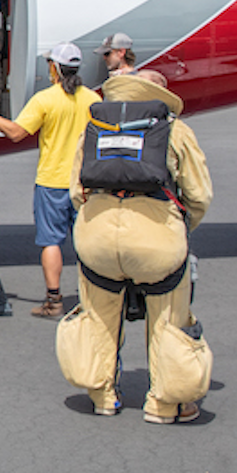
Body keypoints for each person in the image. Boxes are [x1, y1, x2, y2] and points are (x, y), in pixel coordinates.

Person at [56, 69, 214, 423]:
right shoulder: (175, 131)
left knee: (98, 317)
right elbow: (200, 195)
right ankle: (165, 404)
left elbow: (76, 191)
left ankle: (102, 395)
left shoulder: (94, 131)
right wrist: (181, 226)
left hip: (96, 238)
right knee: (169, 321)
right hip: (156, 241)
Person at [0, 42, 99, 319]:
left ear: (54, 69)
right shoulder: (94, 100)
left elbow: (14, 132)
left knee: (51, 242)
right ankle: (92, 300)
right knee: (87, 244)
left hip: (52, 182)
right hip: (85, 183)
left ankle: (54, 300)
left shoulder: (45, 99)